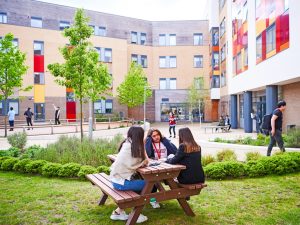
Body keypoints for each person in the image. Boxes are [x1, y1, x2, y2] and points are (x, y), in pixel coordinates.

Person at [110, 126, 149, 223]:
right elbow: (146, 161)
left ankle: (118, 212)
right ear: (140, 136)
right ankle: (136, 214)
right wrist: (143, 145)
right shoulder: (136, 148)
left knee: (144, 184)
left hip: (115, 180)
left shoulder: (126, 144)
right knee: (150, 184)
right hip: (121, 183)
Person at [145, 128, 178, 209]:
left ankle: (181, 195)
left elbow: (175, 151)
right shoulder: (149, 144)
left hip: (166, 166)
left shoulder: (164, 142)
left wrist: (165, 139)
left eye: (158, 135)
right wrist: (148, 140)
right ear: (150, 137)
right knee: (152, 181)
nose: (157, 137)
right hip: (155, 167)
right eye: (154, 136)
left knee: (169, 180)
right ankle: (153, 200)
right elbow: (148, 153)